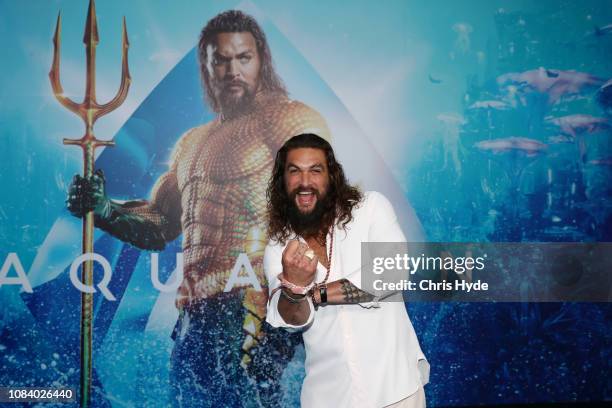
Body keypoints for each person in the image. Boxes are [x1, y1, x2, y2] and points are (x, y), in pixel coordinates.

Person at [66, 10, 330, 408]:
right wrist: (103, 209)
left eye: (243, 57)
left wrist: (282, 321)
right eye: (220, 59)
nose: (232, 69)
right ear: (206, 67)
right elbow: (160, 225)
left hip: (252, 305)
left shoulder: (285, 118)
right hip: (194, 313)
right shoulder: (192, 143)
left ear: (262, 61)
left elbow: (320, 203)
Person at [264, 133, 429, 408]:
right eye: (295, 172)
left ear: (332, 176)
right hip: (328, 398)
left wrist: (314, 294)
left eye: (315, 170)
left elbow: (391, 272)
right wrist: (293, 291)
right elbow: (291, 319)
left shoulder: (371, 209)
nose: (305, 182)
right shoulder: (278, 247)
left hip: (396, 389)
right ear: (283, 181)